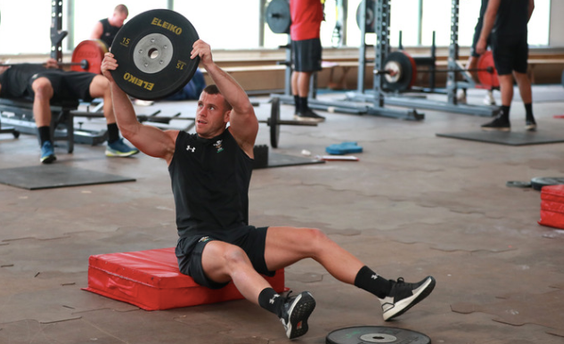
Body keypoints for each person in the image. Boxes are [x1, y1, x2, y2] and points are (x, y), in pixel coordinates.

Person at [101, 39, 436, 339]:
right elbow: (130, 128)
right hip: (198, 246)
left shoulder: (240, 141)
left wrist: (210, 66)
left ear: (227, 116)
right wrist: (115, 81)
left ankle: (389, 292)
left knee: (313, 238)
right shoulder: (176, 144)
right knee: (233, 256)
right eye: (200, 105)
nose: (201, 112)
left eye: (212, 108)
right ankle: (284, 309)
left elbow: (245, 108)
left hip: (240, 234)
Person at [0, 59, 139, 163]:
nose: (2, 64)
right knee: (41, 86)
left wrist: (50, 65)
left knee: (108, 83)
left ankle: (113, 142)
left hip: (63, 77)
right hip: (42, 83)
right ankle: (46, 145)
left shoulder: (25, 65)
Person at [476, 0, 536, 131]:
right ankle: (530, 117)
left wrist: (483, 38)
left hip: (502, 35)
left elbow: (491, 11)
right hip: (520, 34)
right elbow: (531, 6)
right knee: (521, 75)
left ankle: (504, 118)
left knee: (504, 77)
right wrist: (520, 25)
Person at [289, 0, 339, 123]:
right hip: (308, 32)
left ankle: (298, 108)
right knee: (306, 71)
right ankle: (303, 110)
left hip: (297, 32)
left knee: (298, 70)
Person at [458, 0, 497, 106]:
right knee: (473, 60)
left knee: (494, 64)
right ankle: (463, 92)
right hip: (484, 25)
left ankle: (489, 93)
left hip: (499, 25)